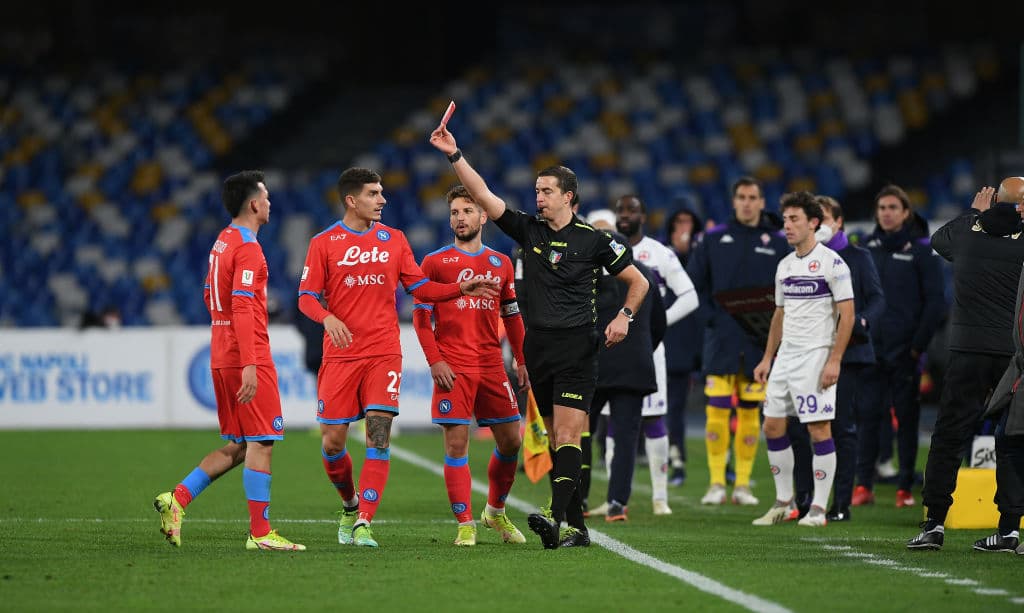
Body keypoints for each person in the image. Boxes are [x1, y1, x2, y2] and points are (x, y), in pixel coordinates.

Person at [429, 126, 649, 550]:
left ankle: (553, 515)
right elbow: (485, 194)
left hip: (577, 347)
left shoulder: (595, 239)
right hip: (539, 347)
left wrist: (624, 316)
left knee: (568, 436)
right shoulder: (529, 231)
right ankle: (577, 530)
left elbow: (638, 282)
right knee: (552, 440)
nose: (539, 197)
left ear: (568, 196)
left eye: (546, 191)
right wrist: (455, 155)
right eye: (536, 190)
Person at [297, 167, 499, 548]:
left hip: (384, 352)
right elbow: (306, 296)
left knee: (378, 434)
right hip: (341, 355)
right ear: (352, 201)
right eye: (374, 193)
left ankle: (364, 523)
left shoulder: (395, 239)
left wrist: (460, 287)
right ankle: (349, 504)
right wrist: (327, 317)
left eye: (382, 192)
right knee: (333, 444)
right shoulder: (324, 242)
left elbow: (420, 287)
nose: (383, 199)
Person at [153, 170, 304, 551]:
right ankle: (260, 533)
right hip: (244, 353)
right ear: (254, 204)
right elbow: (239, 302)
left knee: (240, 444)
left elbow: (209, 294)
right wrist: (251, 362)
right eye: (266, 196)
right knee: (263, 441)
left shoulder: (222, 241)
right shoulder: (249, 247)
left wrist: (227, 330)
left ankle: (178, 499)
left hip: (221, 348)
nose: (270, 202)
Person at [909, 180, 1024, 550]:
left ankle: (934, 524)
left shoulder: (966, 236)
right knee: (1011, 440)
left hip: (967, 351)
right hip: (1013, 356)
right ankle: (1008, 529)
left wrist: (975, 212)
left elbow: (939, 240)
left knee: (949, 436)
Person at [411, 184, 529, 547]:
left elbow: (511, 316)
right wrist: (435, 360)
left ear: (483, 216)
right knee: (456, 445)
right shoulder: (434, 262)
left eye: (466, 211)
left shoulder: (501, 263)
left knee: (511, 442)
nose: (459, 218)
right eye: (454, 213)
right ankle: (465, 523)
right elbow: (420, 318)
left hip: (492, 364)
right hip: (454, 366)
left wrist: (522, 359)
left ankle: (494, 511)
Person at [752, 191, 854, 527]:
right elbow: (779, 316)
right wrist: (768, 357)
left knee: (819, 429)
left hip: (816, 355)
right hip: (786, 357)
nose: (788, 226)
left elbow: (848, 315)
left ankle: (819, 509)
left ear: (813, 222)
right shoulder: (784, 265)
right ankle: (784, 502)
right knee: (772, 425)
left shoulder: (832, 263)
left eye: (795, 219)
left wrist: (835, 359)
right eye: (785, 220)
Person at [687, 177, 790, 506]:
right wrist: (713, 321)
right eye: (742, 197)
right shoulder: (713, 240)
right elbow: (694, 287)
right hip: (721, 340)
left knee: (749, 412)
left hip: (759, 343)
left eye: (753, 197)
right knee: (716, 411)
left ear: (762, 202)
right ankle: (717, 482)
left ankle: (742, 484)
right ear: (734, 201)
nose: (747, 203)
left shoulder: (777, 242)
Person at [787, 196, 885, 522]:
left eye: (824, 218)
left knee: (840, 426)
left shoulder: (857, 257)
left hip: (848, 353)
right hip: (806, 352)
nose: (817, 224)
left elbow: (876, 299)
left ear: (839, 222)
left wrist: (860, 322)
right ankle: (804, 499)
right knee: (801, 427)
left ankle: (840, 503)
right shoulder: (799, 258)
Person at [855, 185, 946, 508]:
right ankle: (863, 484)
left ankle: (905, 486)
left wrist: (916, 346)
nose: (887, 213)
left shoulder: (922, 252)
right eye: (882, 208)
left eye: (893, 207)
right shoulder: (865, 248)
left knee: (907, 420)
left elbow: (936, 303)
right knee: (867, 417)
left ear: (906, 212)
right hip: (870, 350)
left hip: (906, 352)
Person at [610, 194, 698, 514]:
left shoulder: (660, 254)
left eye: (631, 209)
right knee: (612, 423)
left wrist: (654, 327)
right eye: (620, 209)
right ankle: (613, 498)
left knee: (654, 419)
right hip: (612, 347)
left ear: (643, 216)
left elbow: (690, 296)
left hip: (648, 349)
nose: (624, 215)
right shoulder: (606, 252)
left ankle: (660, 497)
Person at [578, 220, 665, 522]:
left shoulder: (586, 276)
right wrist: (641, 350)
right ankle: (617, 502)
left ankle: (580, 498)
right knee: (626, 436)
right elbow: (659, 324)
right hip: (634, 367)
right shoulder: (647, 276)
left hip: (594, 364)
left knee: (580, 432)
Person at [663, 205, 704, 486]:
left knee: (721, 403)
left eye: (688, 222)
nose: (684, 228)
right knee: (674, 404)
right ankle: (676, 459)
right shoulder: (665, 255)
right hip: (676, 339)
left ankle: (726, 464)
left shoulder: (705, 252)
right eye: (679, 222)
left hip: (705, 337)